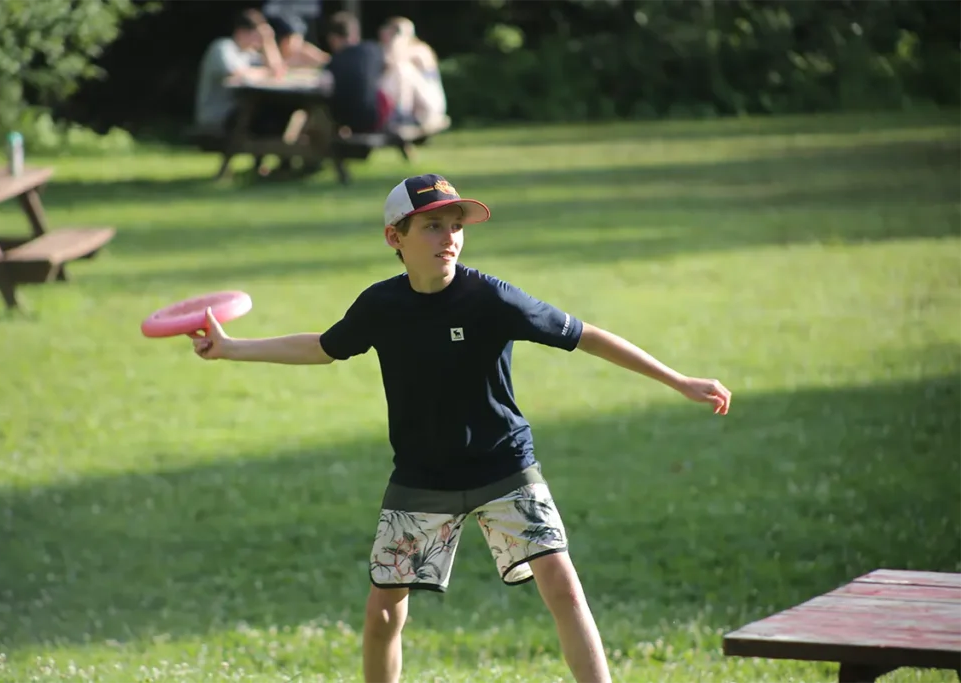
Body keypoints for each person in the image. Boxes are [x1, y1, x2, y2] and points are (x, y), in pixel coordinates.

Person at [190, 174, 732, 683]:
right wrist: (232, 348)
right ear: (395, 237)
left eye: (456, 226)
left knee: (564, 589)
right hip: (423, 477)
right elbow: (324, 347)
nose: (449, 237)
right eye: (432, 226)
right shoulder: (381, 305)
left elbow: (585, 335)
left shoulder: (491, 298)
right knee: (383, 613)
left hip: (505, 467)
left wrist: (678, 380)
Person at [194, 9, 285, 134]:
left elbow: (277, 71)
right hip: (217, 116)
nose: (260, 40)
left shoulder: (248, 54)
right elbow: (236, 74)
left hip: (237, 113)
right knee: (268, 115)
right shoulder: (222, 47)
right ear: (241, 33)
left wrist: (268, 42)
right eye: (257, 35)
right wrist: (264, 72)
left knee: (279, 114)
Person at [318, 12, 389, 134]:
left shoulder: (335, 61)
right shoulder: (375, 51)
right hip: (376, 116)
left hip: (344, 119)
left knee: (318, 110)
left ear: (332, 39)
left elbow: (324, 86)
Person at [378, 16, 447, 131]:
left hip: (429, 107)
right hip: (412, 108)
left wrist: (399, 39)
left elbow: (397, 60)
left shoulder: (420, 50)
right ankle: (393, 115)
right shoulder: (385, 51)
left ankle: (402, 114)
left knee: (403, 69)